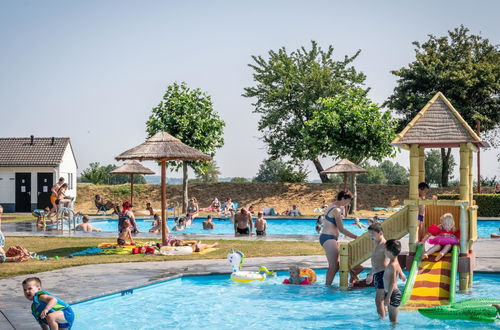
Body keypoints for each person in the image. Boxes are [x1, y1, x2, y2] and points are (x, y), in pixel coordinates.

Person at [320, 191, 359, 286]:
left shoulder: (332, 205)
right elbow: (341, 229)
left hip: (329, 238)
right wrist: (356, 237)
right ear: (342, 198)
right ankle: (327, 287)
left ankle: (329, 285)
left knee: (336, 266)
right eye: (347, 201)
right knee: (333, 266)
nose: (348, 204)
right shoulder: (336, 210)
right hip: (329, 238)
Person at [366, 223, 388, 319]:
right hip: (377, 274)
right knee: (382, 300)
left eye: (372, 234)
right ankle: (385, 317)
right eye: (369, 234)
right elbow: (375, 260)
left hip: (384, 275)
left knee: (378, 300)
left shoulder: (386, 245)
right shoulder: (376, 243)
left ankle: (381, 322)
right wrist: (371, 274)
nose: (371, 236)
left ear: (380, 233)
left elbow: (390, 261)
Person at [384, 239, 403, 324]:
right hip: (390, 293)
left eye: (385, 249)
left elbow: (392, 282)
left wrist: (388, 297)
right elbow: (398, 269)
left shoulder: (392, 265)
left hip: (392, 294)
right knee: (391, 320)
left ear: (390, 252)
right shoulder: (395, 262)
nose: (384, 251)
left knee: (393, 321)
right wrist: (401, 274)